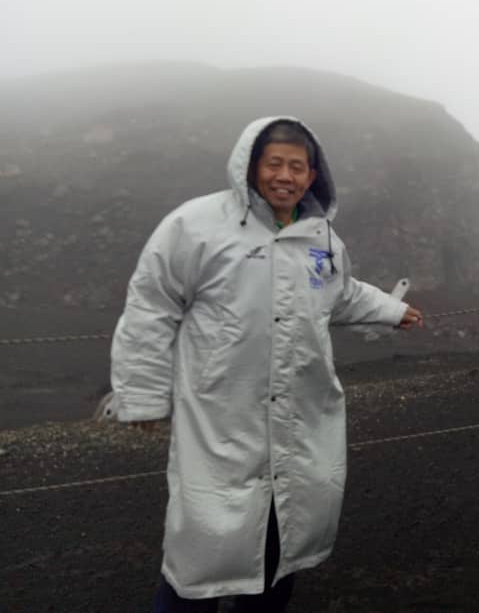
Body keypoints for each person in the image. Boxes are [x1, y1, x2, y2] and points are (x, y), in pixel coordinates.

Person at [110, 116, 423, 612]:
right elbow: (151, 306)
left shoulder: (319, 236)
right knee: (202, 551)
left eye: (298, 167)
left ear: (313, 175)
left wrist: (391, 309)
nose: (286, 176)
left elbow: (339, 291)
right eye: (274, 163)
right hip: (221, 417)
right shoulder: (196, 226)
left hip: (300, 412)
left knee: (285, 535)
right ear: (250, 167)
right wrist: (144, 397)